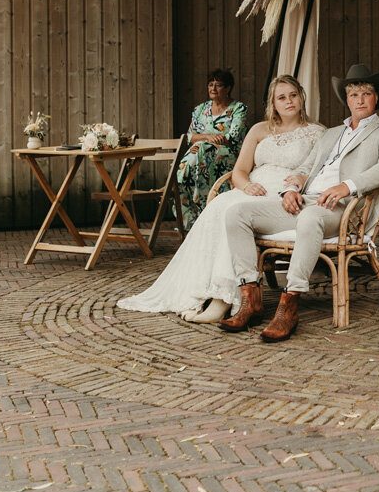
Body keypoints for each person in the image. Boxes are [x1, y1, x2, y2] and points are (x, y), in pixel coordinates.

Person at [218, 63, 379, 343]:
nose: (360, 100)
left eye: (366, 94)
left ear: (376, 98)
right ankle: (251, 298)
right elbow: (305, 168)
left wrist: (346, 187)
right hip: (306, 202)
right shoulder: (330, 134)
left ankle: (289, 304)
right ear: (347, 100)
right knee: (237, 214)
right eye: (354, 95)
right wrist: (290, 190)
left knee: (310, 218)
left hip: (343, 210)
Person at [119, 76, 324, 322]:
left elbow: (316, 173)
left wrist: (295, 187)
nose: (289, 101)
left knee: (234, 213)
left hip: (281, 195)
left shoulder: (318, 132)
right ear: (273, 103)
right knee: (219, 206)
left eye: (293, 95)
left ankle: (223, 298)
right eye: (282, 97)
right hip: (252, 188)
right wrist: (247, 186)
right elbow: (239, 171)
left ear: (301, 96)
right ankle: (203, 291)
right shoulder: (260, 130)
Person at [176, 68, 249, 228]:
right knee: (197, 153)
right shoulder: (200, 109)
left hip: (228, 154)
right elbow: (189, 136)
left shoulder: (238, 108)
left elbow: (234, 137)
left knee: (199, 154)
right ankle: (188, 220)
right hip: (198, 154)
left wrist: (209, 141)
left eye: (218, 85)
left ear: (228, 88)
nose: (213, 89)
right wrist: (208, 138)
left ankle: (204, 213)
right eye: (210, 84)